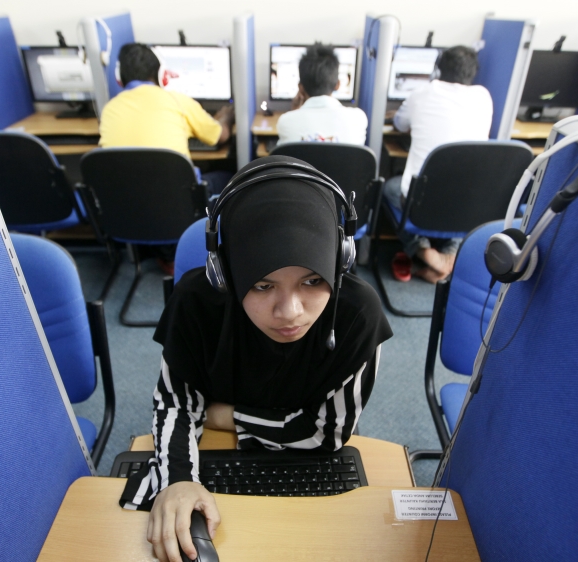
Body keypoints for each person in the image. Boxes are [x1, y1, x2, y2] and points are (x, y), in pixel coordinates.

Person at [120, 156, 393, 562]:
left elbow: (326, 435)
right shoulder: (196, 302)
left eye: (313, 280)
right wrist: (177, 480)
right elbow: (176, 402)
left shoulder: (358, 314)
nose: (290, 311)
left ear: (340, 261)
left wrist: (221, 415)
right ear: (226, 274)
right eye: (263, 284)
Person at [385, 46, 493, 283]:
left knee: (391, 188)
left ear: (437, 70)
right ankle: (451, 256)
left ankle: (427, 253)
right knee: (463, 194)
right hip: (468, 204)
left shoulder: (422, 93)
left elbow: (401, 125)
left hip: (422, 202)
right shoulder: (484, 96)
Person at [99, 43, 234, 196]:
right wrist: (227, 117)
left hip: (127, 203)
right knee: (229, 176)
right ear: (162, 76)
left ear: (119, 79)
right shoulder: (177, 101)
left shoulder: (109, 109)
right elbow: (221, 136)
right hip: (179, 203)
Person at [277, 44, 368, 145]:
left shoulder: (286, 122)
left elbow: (286, 157)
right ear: (337, 84)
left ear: (301, 88)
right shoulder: (358, 119)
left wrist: (294, 113)